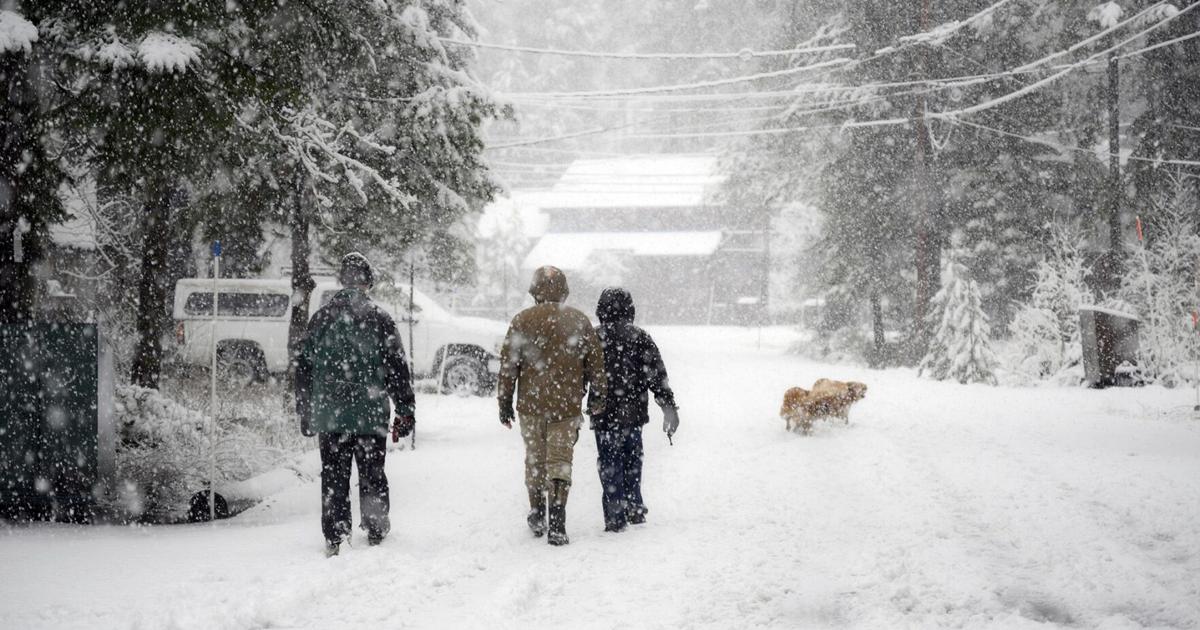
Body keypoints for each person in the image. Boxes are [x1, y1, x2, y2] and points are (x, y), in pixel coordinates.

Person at [296, 252, 415, 557]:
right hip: (370, 414)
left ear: (342, 281)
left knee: (334, 475)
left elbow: (304, 368)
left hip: (330, 415)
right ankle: (375, 526)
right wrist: (405, 409)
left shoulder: (320, 319)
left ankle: (335, 533)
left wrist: (305, 410)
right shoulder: (380, 319)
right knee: (372, 472)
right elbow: (397, 369)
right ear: (367, 283)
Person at [498, 266, 607, 546]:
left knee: (535, 458)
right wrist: (597, 395)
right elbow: (596, 364)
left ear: (534, 291)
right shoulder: (578, 320)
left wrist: (504, 401)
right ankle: (558, 522)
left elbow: (509, 365)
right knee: (560, 461)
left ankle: (536, 513)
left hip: (531, 405)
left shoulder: (522, 320)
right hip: (566, 405)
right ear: (564, 291)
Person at [590, 287, 679, 532]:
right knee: (632, 459)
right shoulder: (640, 337)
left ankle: (615, 513)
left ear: (600, 310)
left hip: (603, 414)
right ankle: (634, 505)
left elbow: (579, 377)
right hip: (632, 413)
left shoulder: (593, 338)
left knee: (609, 462)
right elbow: (657, 376)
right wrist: (669, 407)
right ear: (630, 310)